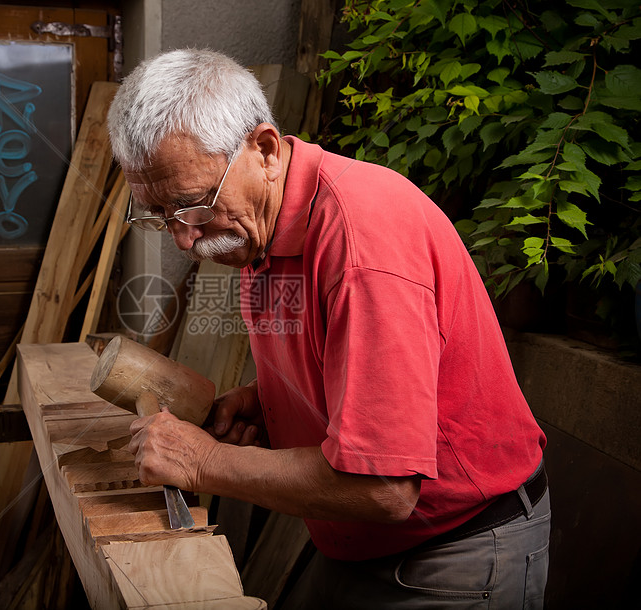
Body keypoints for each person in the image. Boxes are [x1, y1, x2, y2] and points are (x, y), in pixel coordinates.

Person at [108, 48, 550, 608]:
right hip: (362, 545)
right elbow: (337, 358)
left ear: (264, 149)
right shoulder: (259, 232)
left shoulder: (362, 245)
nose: (184, 239)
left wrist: (202, 461)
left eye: (193, 206)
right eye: (159, 215)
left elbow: (384, 488)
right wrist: (269, 403)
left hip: (455, 551)